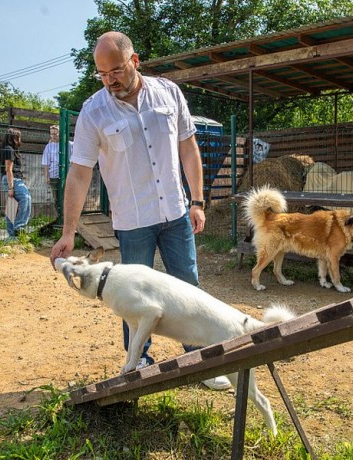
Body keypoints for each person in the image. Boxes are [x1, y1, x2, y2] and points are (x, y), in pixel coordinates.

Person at [49, 31, 230, 391]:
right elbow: (80, 172)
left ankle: (200, 358)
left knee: (188, 287)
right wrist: (69, 230)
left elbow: (188, 148)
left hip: (176, 214)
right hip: (132, 222)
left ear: (134, 61)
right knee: (131, 298)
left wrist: (197, 201)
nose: (109, 79)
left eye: (115, 70)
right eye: (101, 73)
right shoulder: (93, 112)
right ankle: (140, 360)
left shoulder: (169, 93)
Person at [1, 127, 31, 239]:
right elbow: (8, 169)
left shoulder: (8, 149)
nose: (20, 139)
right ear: (14, 138)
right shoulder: (9, 150)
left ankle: (12, 236)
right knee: (26, 198)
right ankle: (19, 227)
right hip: (12, 179)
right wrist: (11, 188)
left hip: (11, 179)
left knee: (12, 206)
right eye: (18, 137)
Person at [42, 124, 62, 221]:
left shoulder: (67, 144)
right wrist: (47, 176)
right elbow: (45, 163)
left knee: (66, 197)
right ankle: (59, 217)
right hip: (54, 175)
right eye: (51, 134)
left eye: (55, 134)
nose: (53, 136)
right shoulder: (48, 147)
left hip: (65, 175)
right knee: (56, 198)